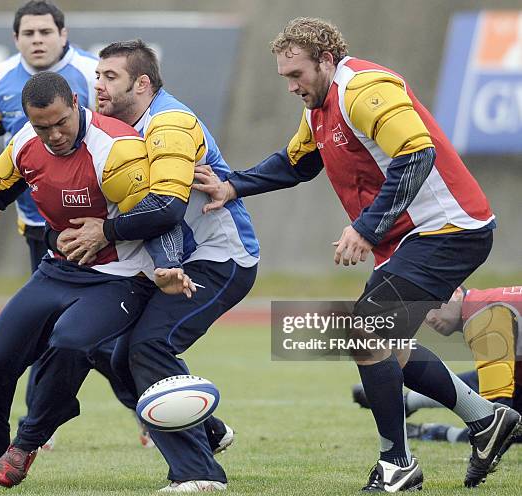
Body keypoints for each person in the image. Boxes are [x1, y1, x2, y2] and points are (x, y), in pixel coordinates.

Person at [192, 17, 521, 491]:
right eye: (284, 77)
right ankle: (487, 420)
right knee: (385, 342)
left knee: (367, 329)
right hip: (411, 236)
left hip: (450, 228)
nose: (290, 86)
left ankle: (398, 463)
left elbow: (417, 154)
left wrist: (366, 228)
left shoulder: (365, 89)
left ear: (326, 61)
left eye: (295, 74)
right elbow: (296, 162)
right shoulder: (318, 105)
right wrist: (233, 184)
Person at [0, 72, 192, 485]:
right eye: (43, 127)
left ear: (76, 103)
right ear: (28, 120)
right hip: (59, 270)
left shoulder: (116, 149)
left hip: (121, 277)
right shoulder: (25, 141)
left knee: (71, 343)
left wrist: (165, 262)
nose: (54, 134)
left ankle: (26, 444)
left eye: (61, 122)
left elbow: (161, 215)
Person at [41, 39, 260, 492]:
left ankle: (199, 475)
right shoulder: (109, 127)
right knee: (111, 353)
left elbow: (166, 209)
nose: (98, 85)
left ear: (142, 84)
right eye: (97, 76)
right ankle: (208, 431)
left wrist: (105, 231)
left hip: (218, 259)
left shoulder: (170, 123)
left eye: (110, 77)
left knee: (147, 348)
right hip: (165, 260)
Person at [0, 0, 98, 444]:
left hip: (96, 227)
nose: (37, 40)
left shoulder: (95, 76)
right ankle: (43, 419)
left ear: (63, 33)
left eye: (45, 32)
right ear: (15, 38)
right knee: (50, 327)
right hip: (37, 224)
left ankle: (156, 413)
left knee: (98, 335)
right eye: (28, 33)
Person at [354, 285, 522, 451]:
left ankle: (438, 431)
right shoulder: (487, 304)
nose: (429, 318)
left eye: (432, 306)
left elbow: (498, 413)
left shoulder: (482, 314)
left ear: (455, 292)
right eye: (423, 312)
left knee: (496, 424)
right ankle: (423, 417)